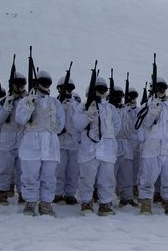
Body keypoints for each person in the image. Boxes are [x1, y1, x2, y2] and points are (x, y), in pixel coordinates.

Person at [15, 70, 66, 216]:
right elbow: (20, 119)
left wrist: (51, 129)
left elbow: (61, 124)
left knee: (49, 176)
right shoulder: (25, 101)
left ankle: (46, 203)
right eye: (43, 81)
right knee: (30, 176)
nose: (45, 85)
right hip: (31, 143)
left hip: (50, 143)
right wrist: (29, 107)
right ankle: (30, 203)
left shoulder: (55, 102)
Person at [73, 77, 121, 216]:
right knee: (87, 177)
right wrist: (88, 116)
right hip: (89, 149)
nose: (101, 92)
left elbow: (116, 126)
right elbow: (77, 125)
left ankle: (105, 203)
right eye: (98, 89)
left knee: (107, 178)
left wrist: (108, 138)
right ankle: (86, 202)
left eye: (103, 89)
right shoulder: (83, 106)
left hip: (106, 149)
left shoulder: (110, 108)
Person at [137, 77, 168, 215]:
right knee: (148, 176)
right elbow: (144, 125)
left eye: (163, 88)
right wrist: (152, 112)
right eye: (158, 87)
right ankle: (146, 203)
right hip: (152, 147)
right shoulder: (146, 105)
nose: (161, 90)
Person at [0, 72, 27, 204]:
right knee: (4, 168)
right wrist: (6, 108)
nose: (20, 86)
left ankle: (23, 193)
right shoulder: (3, 101)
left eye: (22, 84)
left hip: (22, 138)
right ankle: (2, 192)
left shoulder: (27, 100)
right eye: (17, 83)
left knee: (22, 169)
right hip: (6, 138)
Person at [54, 76, 80, 205]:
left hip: (74, 143)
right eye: (65, 88)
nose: (68, 91)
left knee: (73, 171)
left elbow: (78, 123)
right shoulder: (54, 103)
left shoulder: (77, 104)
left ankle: (70, 193)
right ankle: (57, 193)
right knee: (59, 170)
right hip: (60, 142)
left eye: (70, 88)